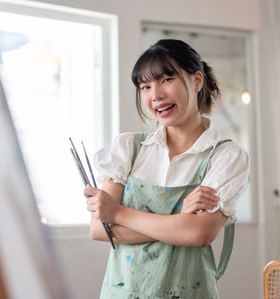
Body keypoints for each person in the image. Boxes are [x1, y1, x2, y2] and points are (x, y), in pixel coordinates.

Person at [84, 39, 249, 298]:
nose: (155, 95)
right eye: (145, 86)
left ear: (196, 81)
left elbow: (198, 233)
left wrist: (117, 212)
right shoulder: (128, 148)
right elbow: (99, 230)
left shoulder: (227, 157)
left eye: (166, 80)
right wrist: (178, 220)